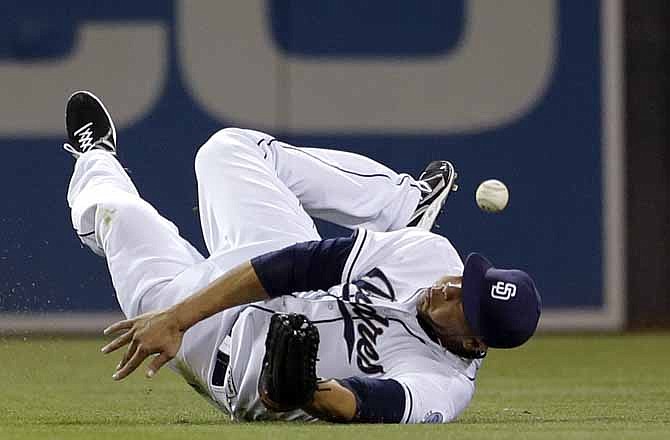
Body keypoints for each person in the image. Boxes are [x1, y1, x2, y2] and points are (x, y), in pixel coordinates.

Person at [64, 91, 541, 424]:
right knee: (227, 150)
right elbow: (299, 266)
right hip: (271, 265)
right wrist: (177, 317)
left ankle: (95, 159)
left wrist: (301, 391)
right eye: (469, 280)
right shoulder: (432, 257)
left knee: (116, 215)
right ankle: (401, 205)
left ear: (476, 343)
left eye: (466, 302)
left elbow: (365, 405)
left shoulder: (444, 384)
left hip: (221, 354)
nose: (452, 287)